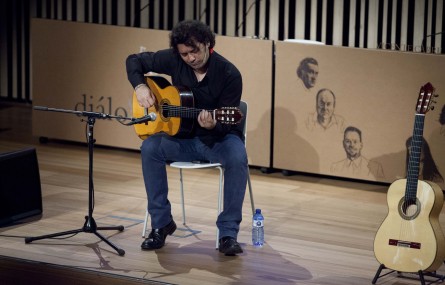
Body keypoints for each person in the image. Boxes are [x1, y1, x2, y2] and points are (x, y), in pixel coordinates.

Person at [126, 20, 247, 256]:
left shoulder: (229, 74)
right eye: (185, 54)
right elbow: (133, 60)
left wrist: (215, 123)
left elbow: (228, 121)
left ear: (207, 44)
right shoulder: (173, 59)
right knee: (150, 148)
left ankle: (227, 234)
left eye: (195, 51)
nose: (191, 58)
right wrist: (140, 86)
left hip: (217, 140)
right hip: (182, 138)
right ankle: (161, 224)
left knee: (237, 155)